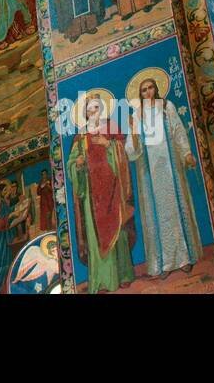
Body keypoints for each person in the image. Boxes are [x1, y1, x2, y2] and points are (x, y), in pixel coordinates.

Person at [124, 78, 202, 277]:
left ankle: (184, 258)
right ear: (140, 94)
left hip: (170, 168)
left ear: (156, 89)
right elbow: (133, 149)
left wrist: (186, 153)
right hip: (150, 174)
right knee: (155, 215)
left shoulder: (167, 107)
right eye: (143, 90)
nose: (148, 92)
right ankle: (164, 264)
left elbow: (178, 131)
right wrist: (133, 131)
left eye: (150, 88)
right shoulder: (137, 114)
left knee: (176, 209)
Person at [67, 95, 135, 292]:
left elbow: (123, 152)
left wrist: (109, 145)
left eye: (96, 107)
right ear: (85, 112)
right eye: (89, 108)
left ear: (102, 109)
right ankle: (102, 280)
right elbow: (72, 163)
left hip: (113, 187)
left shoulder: (111, 128)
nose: (93, 111)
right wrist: (77, 165)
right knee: (95, 236)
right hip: (91, 193)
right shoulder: (80, 136)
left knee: (118, 231)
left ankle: (122, 274)